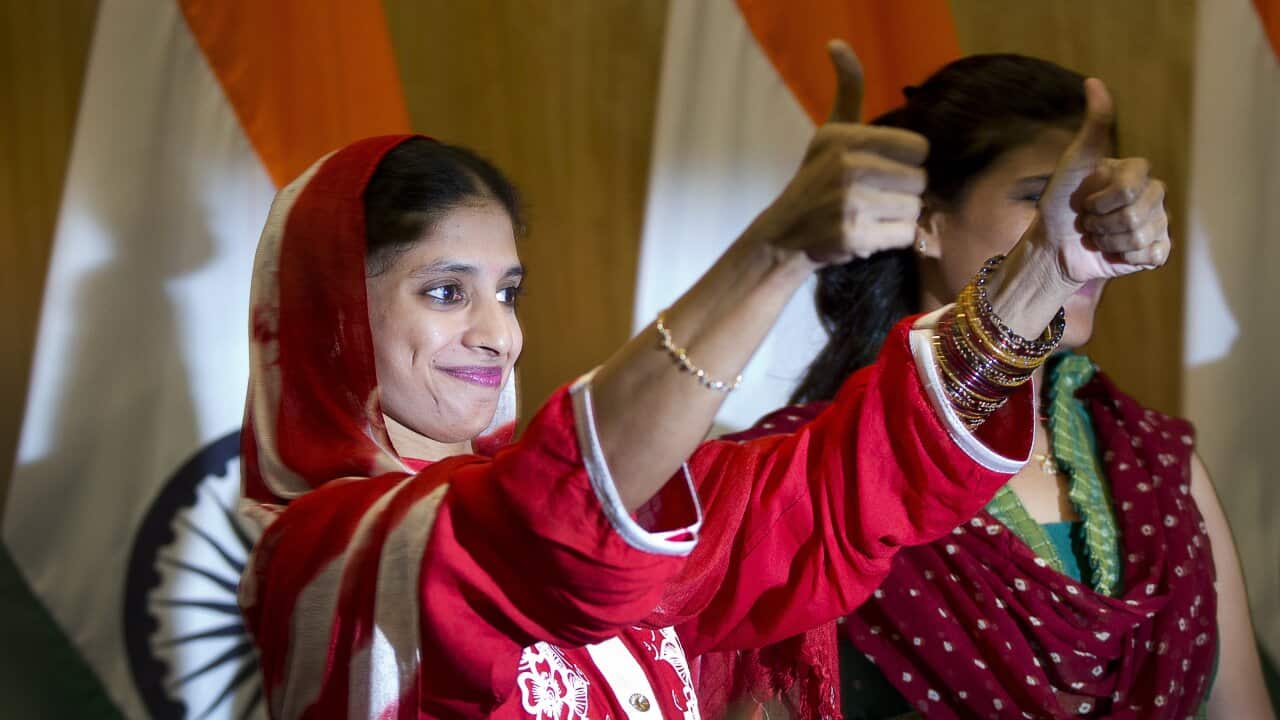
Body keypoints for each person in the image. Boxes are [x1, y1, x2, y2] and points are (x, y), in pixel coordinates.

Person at [236, 44, 1169, 719]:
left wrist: (1050, 265)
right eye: (445, 292)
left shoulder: (605, 509)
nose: (497, 335)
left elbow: (837, 496)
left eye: (509, 292)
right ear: (332, 315)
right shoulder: (322, 556)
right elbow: (543, 535)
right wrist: (772, 255)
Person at [708, 54, 1274, 719]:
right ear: (926, 220)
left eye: (1094, 200)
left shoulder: (1156, 465)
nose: (1080, 230)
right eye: (1040, 197)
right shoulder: (807, 474)